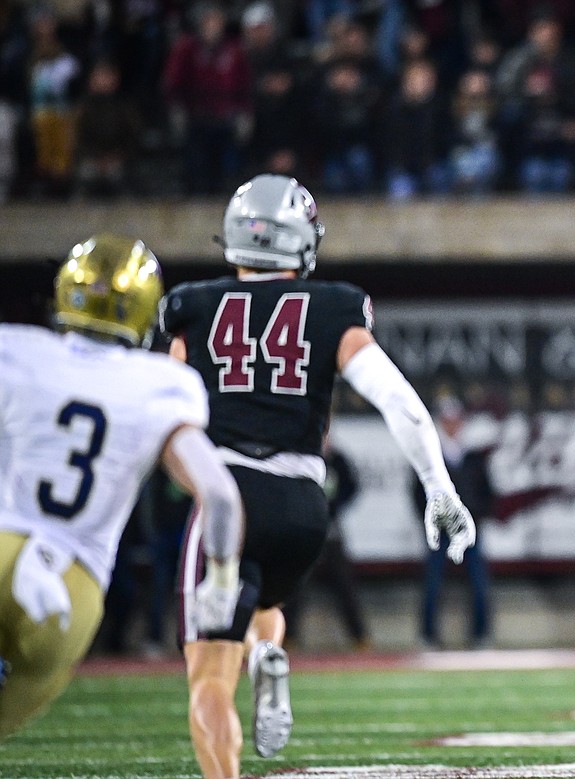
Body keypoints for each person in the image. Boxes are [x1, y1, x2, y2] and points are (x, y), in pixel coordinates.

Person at [160, 174, 476, 778]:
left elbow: (159, 409)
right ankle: (267, 653)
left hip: (227, 500)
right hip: (305, 506)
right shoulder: (334, 306)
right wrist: (440, 488)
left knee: (207, 682)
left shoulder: (194, 306)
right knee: (263, 604)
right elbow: (402, 405)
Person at [0, 235, 243, 739]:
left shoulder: (16, 351)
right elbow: (220, 497)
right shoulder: (162, 383)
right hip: (73, 585)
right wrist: (219, 587)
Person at [412, 397, 494, 649]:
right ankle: (428, 635)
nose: (452, 426)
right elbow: (417, 493)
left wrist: (474, 515)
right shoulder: (432, 455)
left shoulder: (473, 457)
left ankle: (481, 635)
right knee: (433, 584)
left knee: (479, 583)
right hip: (441, 529)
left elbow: (488, 493)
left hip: (469, 529)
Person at [282, 433, 370, 652]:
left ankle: (359, 636)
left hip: (330, 529)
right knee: (295, 584)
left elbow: (351, 486)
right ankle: (288, 636)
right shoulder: (299, 455)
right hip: (305, 528)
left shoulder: (337, 459)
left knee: (344, 584)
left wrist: (333, 507)